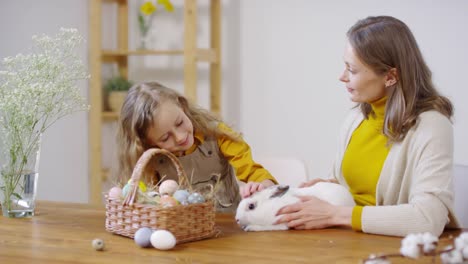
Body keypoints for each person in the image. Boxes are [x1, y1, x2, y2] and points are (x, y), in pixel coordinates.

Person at [276, 16, 459, 237]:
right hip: (343, 239)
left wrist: (335, 214)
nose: (341, 77)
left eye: (352, 70)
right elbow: (356, 190)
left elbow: (427, 219)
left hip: (386, 247)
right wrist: (329, 188)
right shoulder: (356, 119)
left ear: (391, 76)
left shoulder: (431, 126)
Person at [116, 81, 277, 212]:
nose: (179, 137)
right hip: (184, 232)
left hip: (228, 226)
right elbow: (152, 203)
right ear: (148, 143)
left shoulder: (218, 135)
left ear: (182, 106)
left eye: (179, 122)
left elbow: (254, 172)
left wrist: (261, 187)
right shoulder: (152, 162)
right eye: (165, 138)